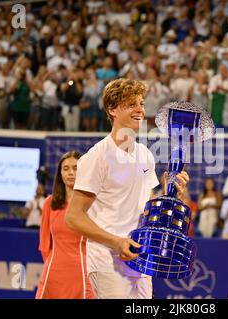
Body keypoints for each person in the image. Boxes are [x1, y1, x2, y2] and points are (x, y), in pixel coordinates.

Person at [65, 78, 190, 299]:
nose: (140, 110)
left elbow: (144, 208)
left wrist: (169, 193)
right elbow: (73, 217)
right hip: (107, 260)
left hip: (140, 257)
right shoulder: (97, 156)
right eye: (131, 104)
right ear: (112, 109)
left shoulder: (145, 155)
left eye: (141, 103)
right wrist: (117, 241)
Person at [36, 151, 94, 299]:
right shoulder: (50, 203)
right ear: (60, 173)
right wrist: (51, 265)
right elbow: (44, 244)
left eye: (75, 168)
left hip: (82, 272)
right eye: (66, 168)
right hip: (53, 272)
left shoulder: (92, 203)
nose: (71, 173)